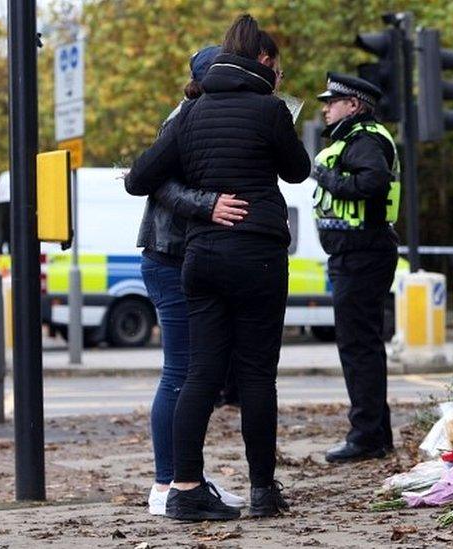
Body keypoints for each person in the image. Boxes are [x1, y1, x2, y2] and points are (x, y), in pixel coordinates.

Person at [125, 15, 310, 521]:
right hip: (258, 255)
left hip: (202, 259)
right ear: (263, 63)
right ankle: (262, 491)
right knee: (255, 377)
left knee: (200, 374)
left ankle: (184, 489)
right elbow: (298, 170)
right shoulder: (270, 111)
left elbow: (139, 178)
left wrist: (204, 201)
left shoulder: (189, 112)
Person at [135, 45, 250, 516]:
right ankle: (168, 485)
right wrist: (209, 205)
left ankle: (186, 477)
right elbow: (153, 182)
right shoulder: (186, 118)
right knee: (180, 373)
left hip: (183, 258)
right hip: (170, 258)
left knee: (193, 373)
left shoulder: (204, 117)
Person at [312, 73, 401, 463]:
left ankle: (366, 436)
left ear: (353, 105)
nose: (325, 108)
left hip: (362, 253)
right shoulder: (357, 138)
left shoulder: (364, 139)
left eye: (332, 102)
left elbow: (373, 183)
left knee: (357, 346)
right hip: (358, 253)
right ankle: (375, 433)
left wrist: (326, 177)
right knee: (364, 345)